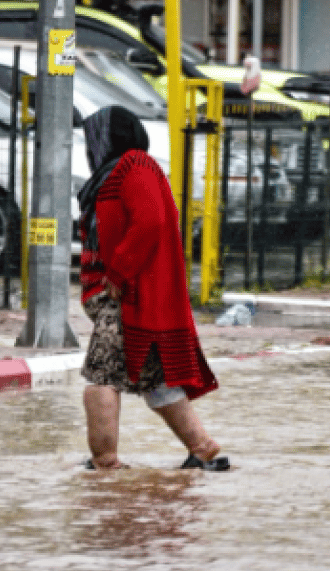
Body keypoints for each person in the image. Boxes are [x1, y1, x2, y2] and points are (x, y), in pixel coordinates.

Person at [75, 106, 228, 472]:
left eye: (94, 138)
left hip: (130, 295)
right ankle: (202, 447)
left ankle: (104, 462)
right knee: (155, 381)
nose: (90, 147)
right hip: (129, 294)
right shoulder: (118, 172)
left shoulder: (134, 166)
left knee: (100, 377)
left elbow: (150, 221)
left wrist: (118, 273)